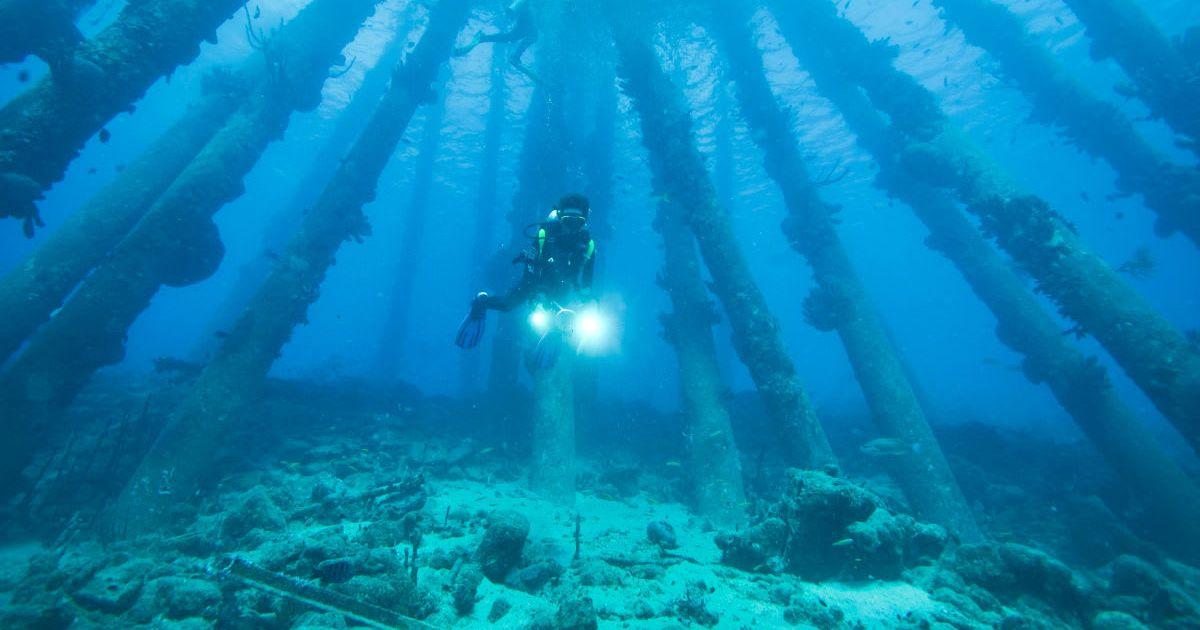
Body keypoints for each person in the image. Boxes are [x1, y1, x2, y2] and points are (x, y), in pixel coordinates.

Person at [455, 193, 597, 365]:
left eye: (578, 222)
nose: (572, 227)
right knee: (507, 305)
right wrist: (537, 292)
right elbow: (531, 265)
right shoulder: (545, 235)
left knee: (568, 315)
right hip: (536, 281)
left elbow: (587, 278)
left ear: (585, 221)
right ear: (560, 218)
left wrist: (587, 299)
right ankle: (480, 303)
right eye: (568, 221)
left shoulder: (588, 245)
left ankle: (555, 330)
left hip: (563, 286)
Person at [453, 0, 541, 84]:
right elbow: (513, 12)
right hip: (526, 19)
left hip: (525, 19)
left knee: (511, 37)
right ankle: (515, 57)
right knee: (525, 36)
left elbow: (512, 13)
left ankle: (483, 38)